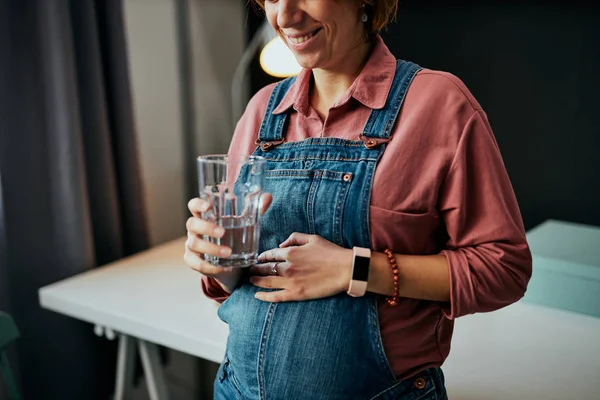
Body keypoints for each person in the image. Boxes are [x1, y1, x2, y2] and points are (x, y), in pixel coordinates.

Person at [184, 0, 532, 399]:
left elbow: (504, 269)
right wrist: (220, 260)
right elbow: (236, 281)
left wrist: (356, 269)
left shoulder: (439, 104)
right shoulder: (262, 109)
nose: (285, 16)